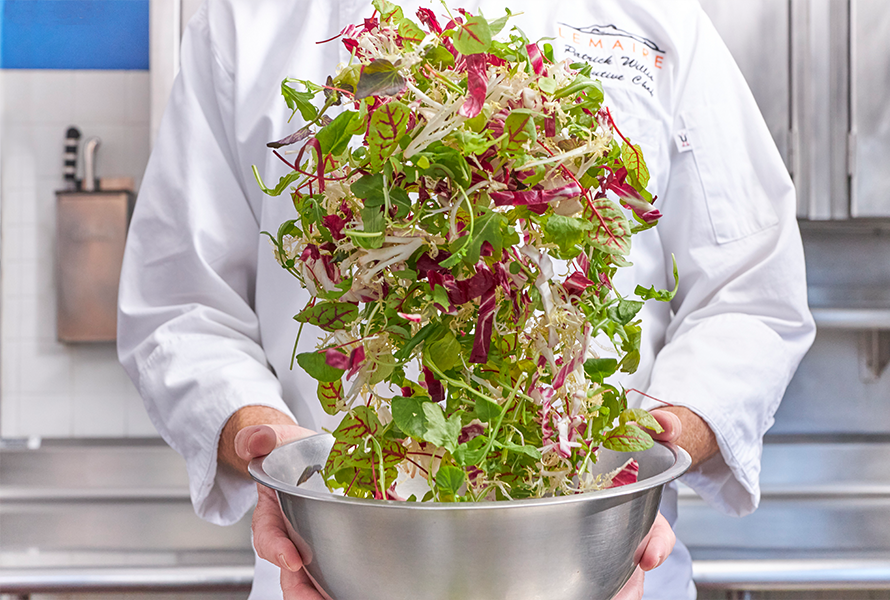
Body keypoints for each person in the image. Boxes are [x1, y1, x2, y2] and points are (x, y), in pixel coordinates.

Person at [117, 1, 816, 599]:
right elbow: (181, 305)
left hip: (602, 569)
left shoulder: (656, 18)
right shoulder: (251, 21)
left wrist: (648, 451)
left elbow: (751, 289)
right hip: (337, 563)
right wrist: (270, 448)